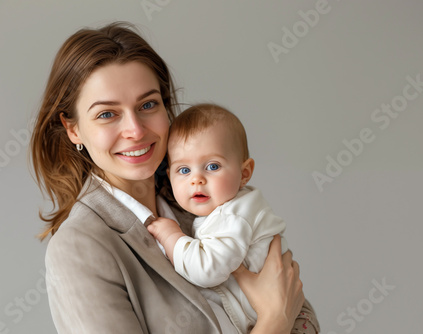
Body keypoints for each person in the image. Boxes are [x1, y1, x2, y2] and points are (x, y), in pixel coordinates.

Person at [30, 21, 319, 334]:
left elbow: (301, 309)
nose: (136, 131)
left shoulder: (202, 195)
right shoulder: (80, 247)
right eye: (107, 114)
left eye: (148, 104)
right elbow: (283, 308)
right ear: (73, 129)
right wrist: (274, 319)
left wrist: (285, 312)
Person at [147, 104, 314, 333]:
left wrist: (172, 236)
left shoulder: (234, 216)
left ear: (244, 173)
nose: (197, 179)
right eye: (184, 170)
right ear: (170, 176)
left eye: (212, 166)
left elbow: (208, 269)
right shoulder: (228, 209)